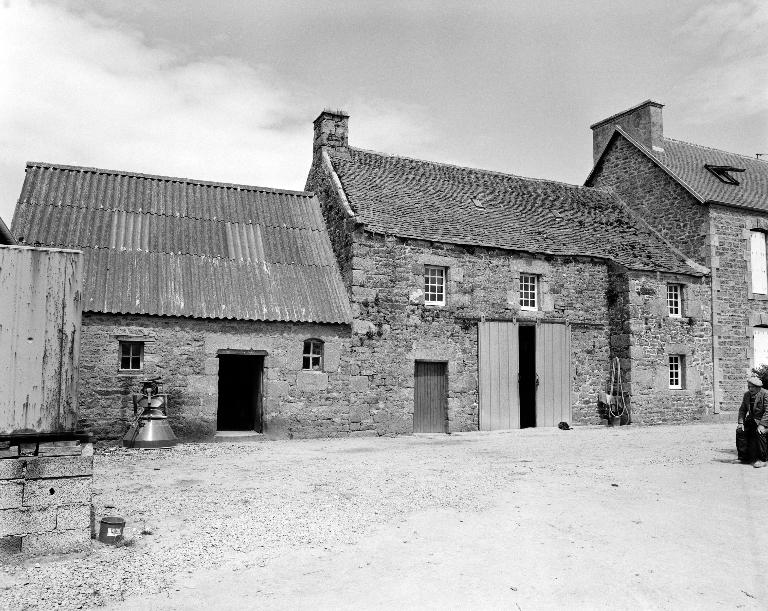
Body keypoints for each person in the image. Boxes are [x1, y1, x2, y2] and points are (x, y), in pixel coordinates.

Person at [737, 376, 768, 467]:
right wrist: (740, 422)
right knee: (740, 431)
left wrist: (762, 424)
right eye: (749, 387)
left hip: (764, 421)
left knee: (760, 432)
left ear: (758, 387)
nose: (750, 389)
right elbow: (742, 409)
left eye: (752, 387)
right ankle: (744, 458)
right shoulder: (747, 395)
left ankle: (763, 459)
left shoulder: (765, 394)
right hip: (752, 420)